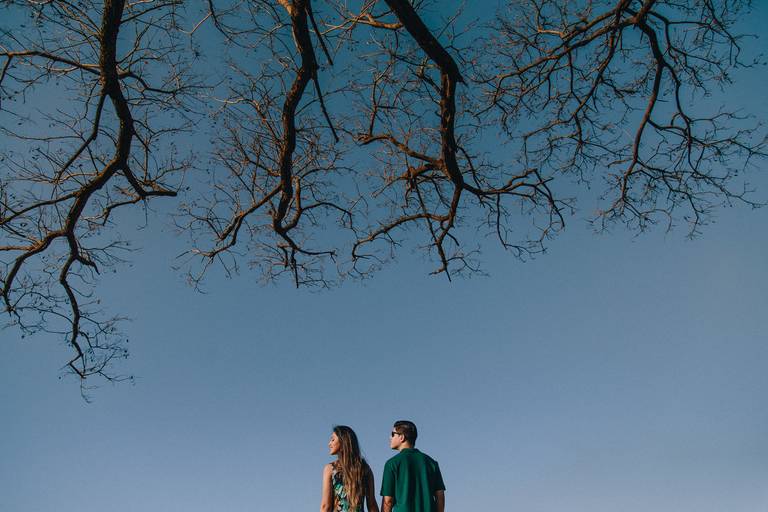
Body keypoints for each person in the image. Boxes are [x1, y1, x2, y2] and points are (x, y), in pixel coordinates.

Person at [380, 420, 445, 512]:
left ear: (402, 437)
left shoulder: (392, 464)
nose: (390, 437)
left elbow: (388, 501)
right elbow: (440, 496)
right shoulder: (431, 463)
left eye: (393, 434)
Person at [321, 425, 380, 512]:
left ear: (343, 442)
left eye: (333, 439)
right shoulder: (365, 469)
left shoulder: (330, 469)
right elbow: (371, 504)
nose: (329, 444)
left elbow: (326, 506)